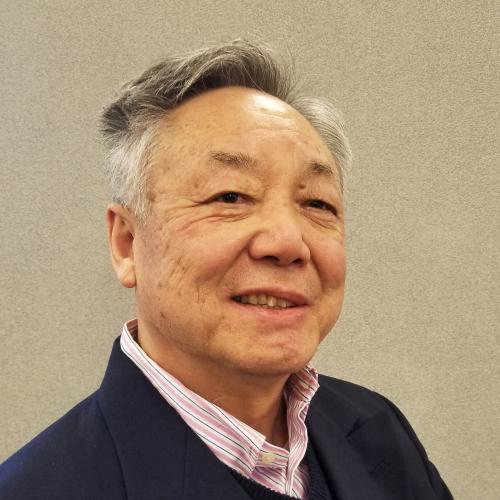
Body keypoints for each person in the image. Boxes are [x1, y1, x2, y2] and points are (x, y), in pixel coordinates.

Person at [0, 40, 453, 500]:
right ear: (127, 243)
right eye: (230, 196)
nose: (287, 242)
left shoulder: (379, 431)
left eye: (317, 203)